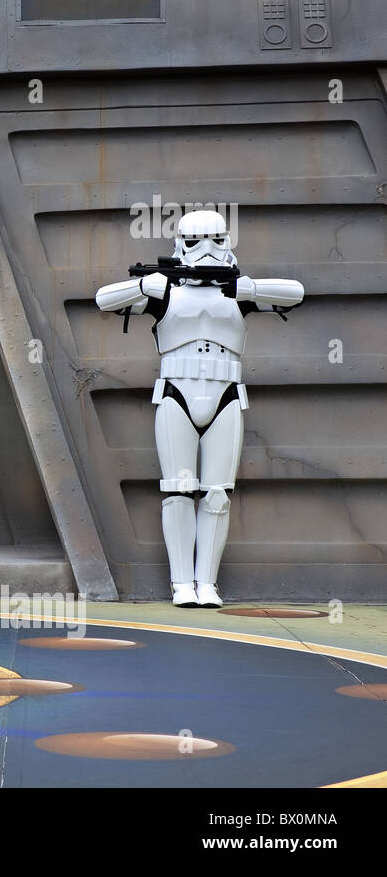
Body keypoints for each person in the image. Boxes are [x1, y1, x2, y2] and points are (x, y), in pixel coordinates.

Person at [96, 209, 303, 607]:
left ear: (227, 242)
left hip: (226, 395)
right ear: (179, 245)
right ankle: (181, 584)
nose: (206, 251)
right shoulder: (166, 291)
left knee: (217, 495)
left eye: (216, 240)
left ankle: (206, 582)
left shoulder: (239, 290)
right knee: (177, 492)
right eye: (196, 242)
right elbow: (104, 299)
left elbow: (295, 292)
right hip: (176, 393)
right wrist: (146, 285)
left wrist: (249, 288)